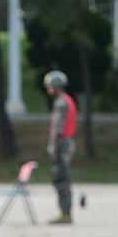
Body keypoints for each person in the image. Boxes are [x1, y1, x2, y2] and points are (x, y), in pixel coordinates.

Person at [43, 70, 77, 224]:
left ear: (57, 87)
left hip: (61, 146)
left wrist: (54, 148)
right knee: (63, 178)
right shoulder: (67, 100)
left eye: (50, 86)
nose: (48, 89)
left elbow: (58, 128)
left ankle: (65, 213)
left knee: (61, 179)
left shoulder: (61, 103)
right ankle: (65, 212)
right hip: (66, 144)